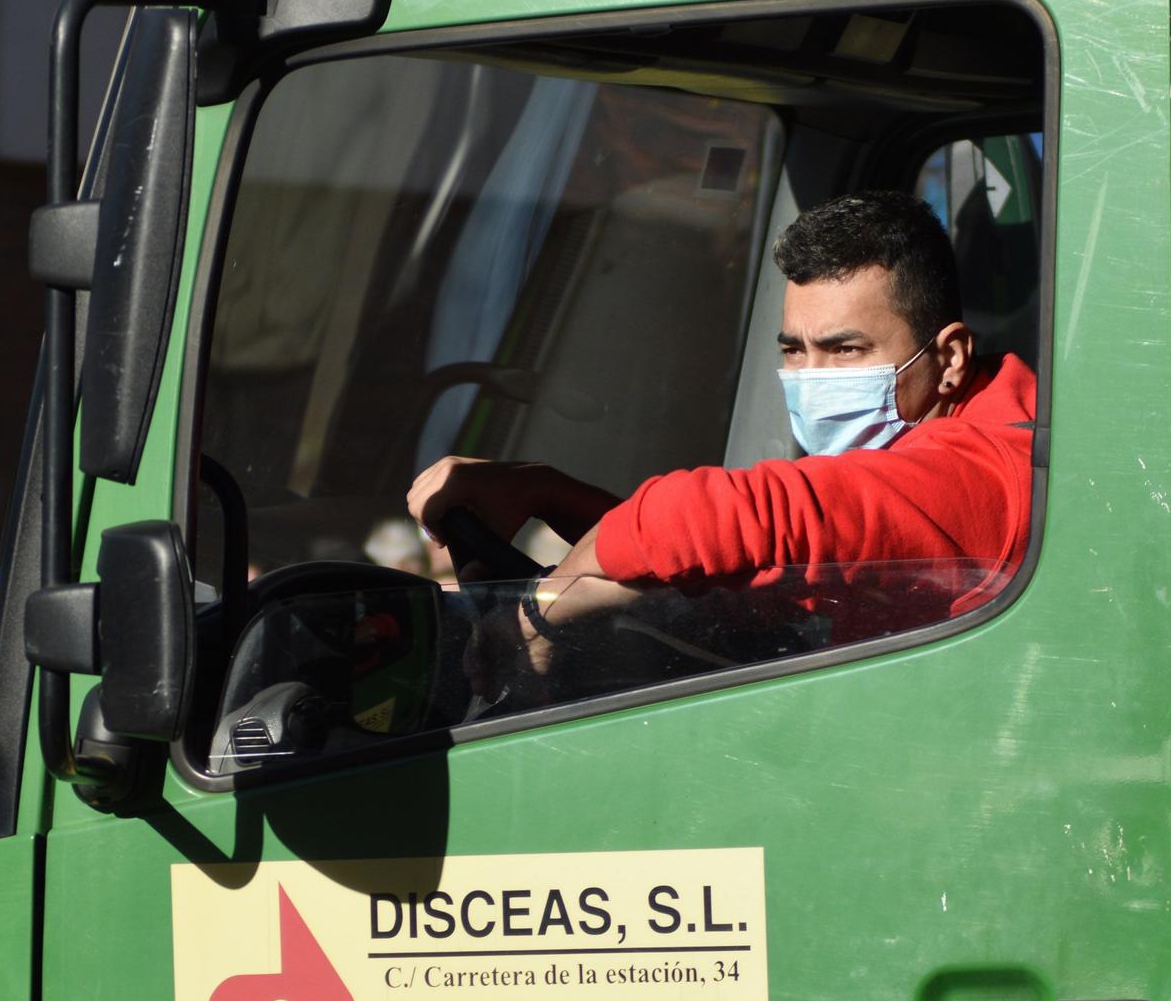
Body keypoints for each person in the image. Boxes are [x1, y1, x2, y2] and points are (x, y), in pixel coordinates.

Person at [407, 190, 1035, 660]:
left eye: (846, 351)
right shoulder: (931, 452)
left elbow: (721, 516)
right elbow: (745, 581)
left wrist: (534, 621)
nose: (812, 378)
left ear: (949, 359)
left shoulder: (984, 466)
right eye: (794, 350)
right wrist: (549, 494)